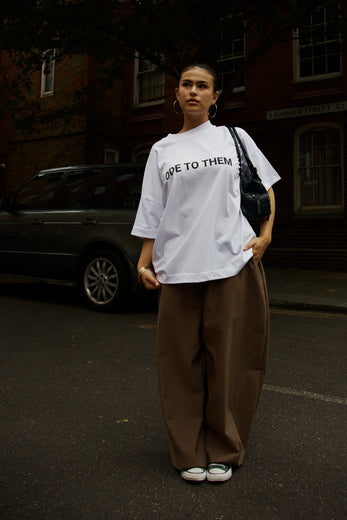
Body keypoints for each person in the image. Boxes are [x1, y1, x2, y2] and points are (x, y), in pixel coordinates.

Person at [131, 63, 280, 483]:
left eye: (203, 86)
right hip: (177, 269)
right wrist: (144, 262)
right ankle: (187, 451)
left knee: (232, 362)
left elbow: (264, 186)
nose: (193, 91)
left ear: (215, 97)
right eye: (186, 85)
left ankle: (224, 449)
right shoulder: (162, 151)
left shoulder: (233, 138)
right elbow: (152, 213)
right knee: (180, 365)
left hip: (231, 262)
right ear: (175, 94)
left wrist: (265, 236)